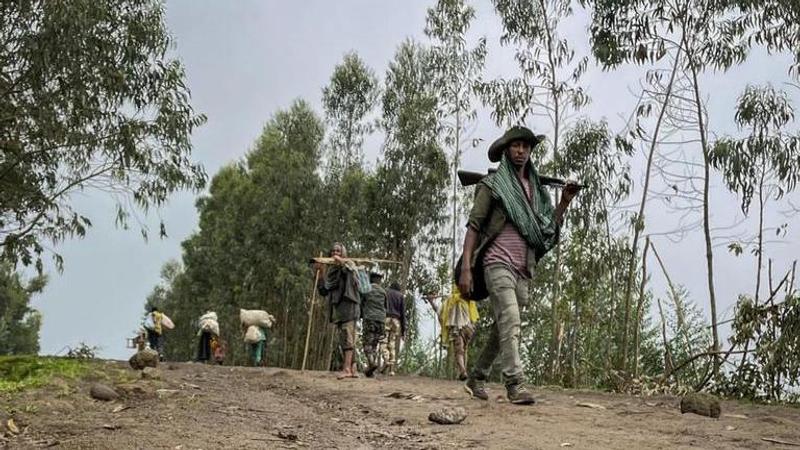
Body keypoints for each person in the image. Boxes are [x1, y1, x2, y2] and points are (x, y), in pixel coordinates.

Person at [459, 126, 579, 405]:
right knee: (511, 319)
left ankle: (477, 376)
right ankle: (514, 383)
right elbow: (474, 227)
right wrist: (466, 267)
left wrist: (564, 202)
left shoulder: (537, 190)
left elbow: (548, 229)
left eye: (525, 146)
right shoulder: (492, 186)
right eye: (515, 146)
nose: (521, 151)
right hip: (495, 262)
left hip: (523, 267)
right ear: (505, 150)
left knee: (503, 327)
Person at [320, 242, 361, 379]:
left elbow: (350, 271)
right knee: (344, 338)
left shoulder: (348, 265)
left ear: (343, 253)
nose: (335, 254)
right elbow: (324, 290)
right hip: (338, 309)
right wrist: (320, 273)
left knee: (347, 337)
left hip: (349, 307)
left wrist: (342, 263)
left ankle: (347, 369)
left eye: (338, 251)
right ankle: (353, 368)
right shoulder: (332, 271)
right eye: (333, 251)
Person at [427, 286, 480, 381]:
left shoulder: (451, 300)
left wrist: (431, 301)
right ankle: (463, 371)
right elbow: (474, 316)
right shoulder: (468, 300)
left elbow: (440, 312)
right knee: (465, 350)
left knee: (459, 352)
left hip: (458, 329)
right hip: (469, 329)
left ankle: (463, 371)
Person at [360, 272, 387, 377]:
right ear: (379, 281)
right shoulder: (383, 292)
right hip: (381, 321)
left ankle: (371, 362)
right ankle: (370, 370)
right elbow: (386, 306)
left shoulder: (367, 289)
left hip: (370, 319)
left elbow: (361, 303)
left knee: (367, 343)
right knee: (375, 344)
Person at [382, 281, 406, 376]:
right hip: (396, 320)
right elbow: (403, 314)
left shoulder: (385, 292)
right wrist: (403, 331)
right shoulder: (400, 296)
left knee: (383, 341)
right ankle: (392, 369)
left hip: (386, 318)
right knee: (392, 343)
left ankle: (386, 359)